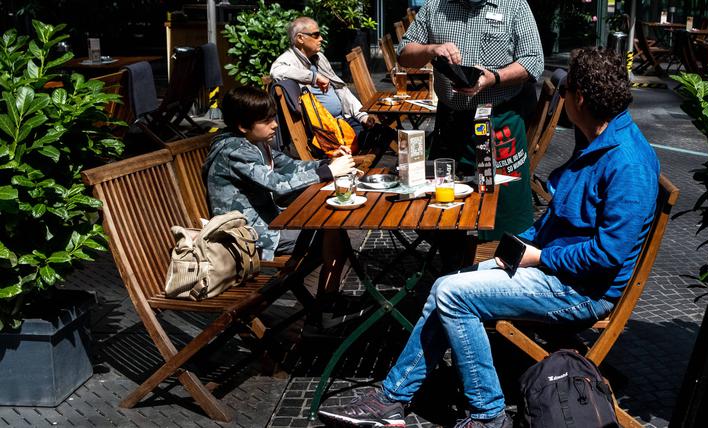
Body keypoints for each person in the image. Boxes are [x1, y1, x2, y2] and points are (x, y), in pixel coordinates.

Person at [319, 48, 660, 428]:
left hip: (580, 291)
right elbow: (562, 222)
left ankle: (486, 414)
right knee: (449, 285)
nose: (561, 99)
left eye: (564, 92)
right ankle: (392, 398)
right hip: (557, 270)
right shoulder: (597, 138)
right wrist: (518, 249)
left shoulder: (627, 161)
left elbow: (608, 254)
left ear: (579, 98)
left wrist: (538, 258)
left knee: (453, 293)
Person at [396, 0, 543, 241]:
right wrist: (431, 50)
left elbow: (534, 61)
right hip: (451, 122)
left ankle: (506, 267)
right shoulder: (436, 6)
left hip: (499, 120)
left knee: (505, 209)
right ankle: (453, 264)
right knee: (437, 205)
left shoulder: (514, 5)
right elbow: (403, 54)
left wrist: (493, 78)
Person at [204, 85, 356, 261]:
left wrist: (327, 162)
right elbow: (277, 185)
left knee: (333, 227)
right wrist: (328, 172)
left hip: (269, 220)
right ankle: (328, 289)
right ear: (243, 126)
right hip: (248, 233)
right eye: (266, 121)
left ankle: (328, 288)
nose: (275, 125)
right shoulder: (235, 150)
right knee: (331, 231)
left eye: (273, 118)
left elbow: (289, 165)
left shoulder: (254, 142)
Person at [271, 16, 376, 135]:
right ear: (300, 38)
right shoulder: (288, 60)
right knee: (374, 138)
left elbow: (340, 89)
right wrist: (313, 77)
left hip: (343, 119)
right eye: (316, 35)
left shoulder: (319, 58)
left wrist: (362, 116)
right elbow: (276, 71)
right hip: (326, 130)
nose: (321, 38)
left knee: (383, 133)